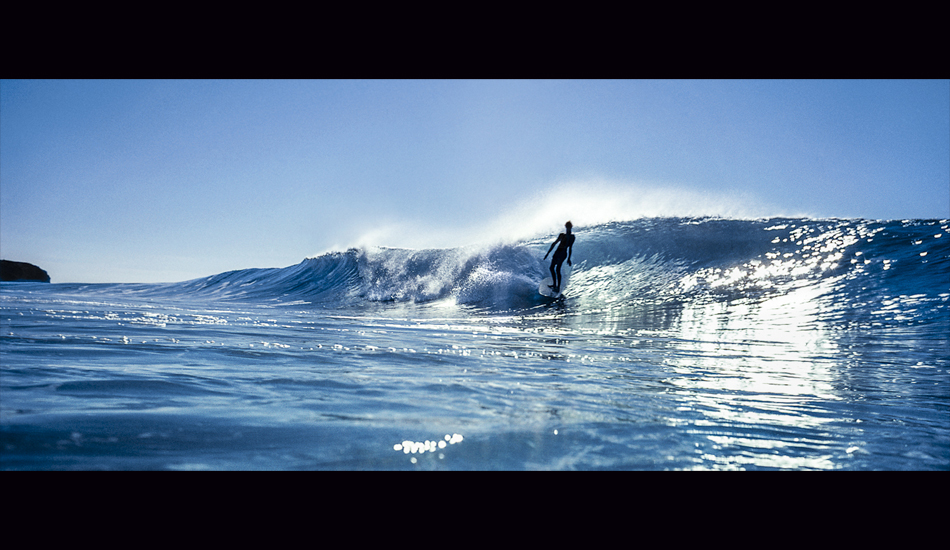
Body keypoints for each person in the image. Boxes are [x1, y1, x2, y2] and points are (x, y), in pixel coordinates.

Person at [543, 221, 575, 294]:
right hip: (557, 252)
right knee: (551, 268)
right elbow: (554, 243)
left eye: (569, 227)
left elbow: (570, 248)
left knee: (557, 269)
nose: (568, 228)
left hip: (563, 253)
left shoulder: (572, 237)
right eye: (567, 227)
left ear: (571, 227)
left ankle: (557, 287)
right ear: (565, 227)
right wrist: (547, 253)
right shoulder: (562, 235)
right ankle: (554, 285)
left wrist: (569, 258)